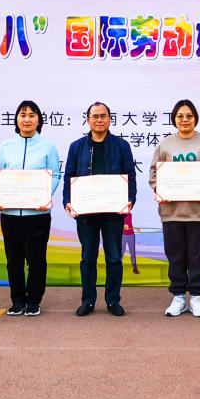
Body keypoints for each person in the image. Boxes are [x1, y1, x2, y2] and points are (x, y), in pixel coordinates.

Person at [149, 99, 200, 317]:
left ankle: (197, 297)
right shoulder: (165, 145)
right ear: (174, 119)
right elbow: (154, 173)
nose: (185, 120)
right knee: (175, 256)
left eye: (189, 116)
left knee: (198, 256)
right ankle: (179, 297)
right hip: (172, 212)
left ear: (195, 118)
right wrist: (159, 189)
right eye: (180, 116)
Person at [63, 101, 137, 317]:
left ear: (110, 119)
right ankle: (88, 301)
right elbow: (69, 177)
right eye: (95, 116)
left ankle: (113, 301)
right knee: (88, 258)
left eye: (103, 116)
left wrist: (130, 199)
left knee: (114, 258)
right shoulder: (76, 147)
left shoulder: (121, 146)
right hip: (86, 212)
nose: (99, 120)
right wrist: (68, 201)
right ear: (88, 120)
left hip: (113, 212)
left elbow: (130, 175)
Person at [0, 100, 61, 317]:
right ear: (16, 120)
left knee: (36, 259)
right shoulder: (6, 146)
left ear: (39, 120)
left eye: (32, 115)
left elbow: (55, 174)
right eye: (22, 115)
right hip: (10, 213)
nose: (27, 119)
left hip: (38, 213)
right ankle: (17, 300)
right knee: (13, 259)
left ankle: (33, 301)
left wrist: (45, 195)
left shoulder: (48, 146)